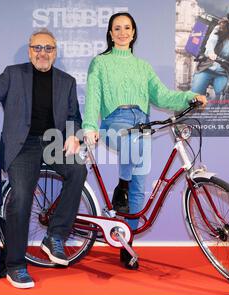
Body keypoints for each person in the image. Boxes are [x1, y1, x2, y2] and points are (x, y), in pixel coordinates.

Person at [0, 29, 87, 289]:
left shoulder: (67, 81)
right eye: (37, 48)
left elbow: (74, 116)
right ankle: (15, 265)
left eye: (48, 48)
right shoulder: (13, 74)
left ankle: (56, 236)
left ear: (55, 51)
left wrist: (74, 136)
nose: (43, 53)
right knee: (21, 197)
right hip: (23, 145)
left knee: (78, 171)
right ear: (30, 51)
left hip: (53, 141)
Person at [82, 12, 207, 270]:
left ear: (134, 32)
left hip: (142, 122)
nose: (122, 32)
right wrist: (90, 126)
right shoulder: (100, 63)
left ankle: (127, 244)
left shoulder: (143, 67)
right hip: (115, 121)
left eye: (127, 27)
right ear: (110, 33)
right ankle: (122, 185)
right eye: (117, 28)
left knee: (140, 184)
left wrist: (189, 97)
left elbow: (163, 96)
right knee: (133, 152)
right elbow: (93, 95)